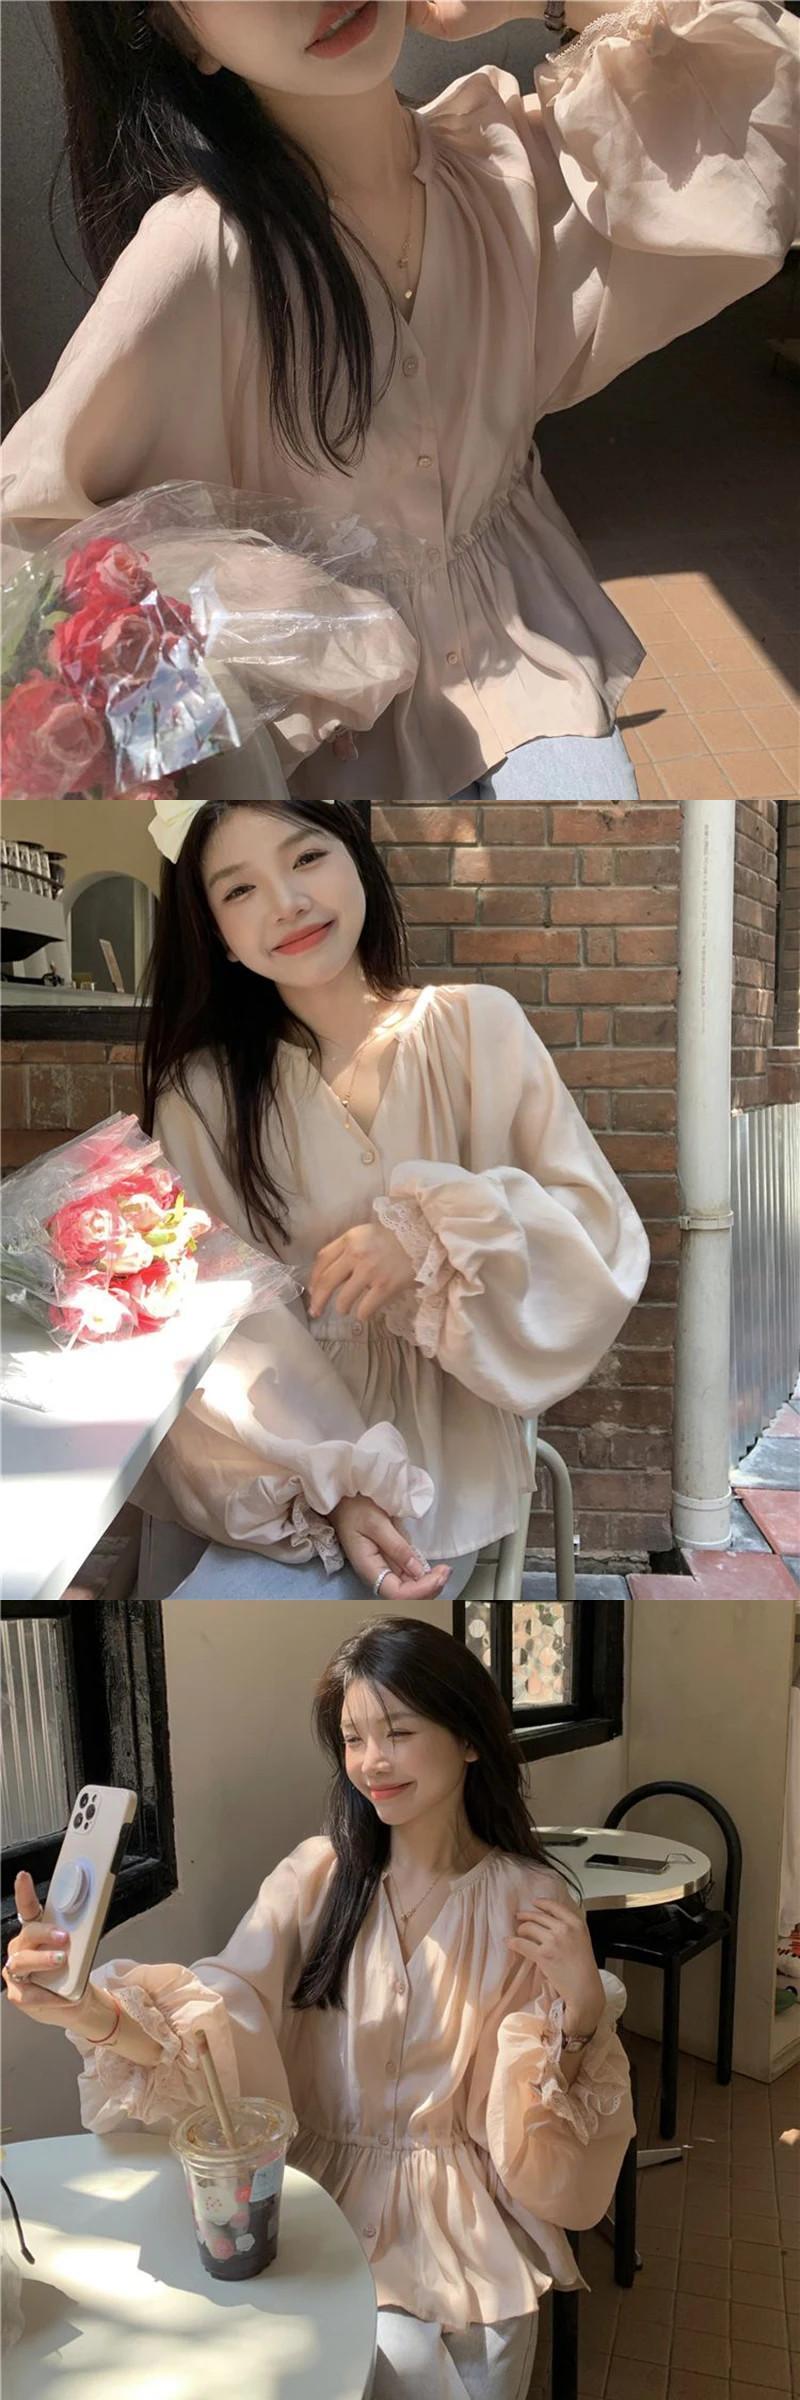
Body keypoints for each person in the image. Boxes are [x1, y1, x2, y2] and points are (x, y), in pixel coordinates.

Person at [1, 1, 798, 802]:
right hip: (331, 744)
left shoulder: (498, 165)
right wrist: (266, 608)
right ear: (182, 33)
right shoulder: (203, 253)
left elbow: (763, 128)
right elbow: (30, 539)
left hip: (529, 660)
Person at [4, 1615, 637, 2400]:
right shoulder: (314, 1878)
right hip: (307, 2200)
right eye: (353, 1739)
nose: (372, 1762)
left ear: (470, 1738)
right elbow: (217, 2015)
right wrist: (88, 2011)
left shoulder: (530, 1901)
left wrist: (581, 2008)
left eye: (398, 1732)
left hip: (460, 2226)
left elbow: (538, 2127)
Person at [132, 792, 650, 1599]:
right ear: (216, 935)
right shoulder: (198, 1098)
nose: (287, 902)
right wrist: (332, 1483)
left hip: (443, 1464)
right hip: (270, 1465)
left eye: (307, 857)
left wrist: (427, 1239)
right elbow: (211, 1320)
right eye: (240, 889)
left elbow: (596, 1233)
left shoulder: (480, 1029)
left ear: (358, 862)